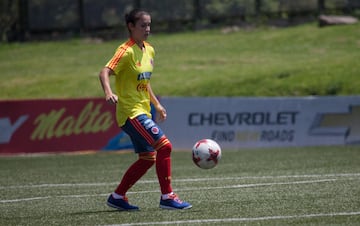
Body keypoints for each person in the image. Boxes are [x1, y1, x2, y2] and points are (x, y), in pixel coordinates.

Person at [98, 9, 192, 211]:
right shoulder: (125, 51)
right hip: (130, 113)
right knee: (165, 147)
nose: (147, 29)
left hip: (143, 110)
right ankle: (168, 197)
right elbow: (104, 72)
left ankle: (117, 196)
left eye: (149, 25)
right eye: (143, 25)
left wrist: (156, 104)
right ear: (131, 27)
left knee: (148, 158)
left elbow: (144, 81)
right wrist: (108, 92)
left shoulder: (149, 49)